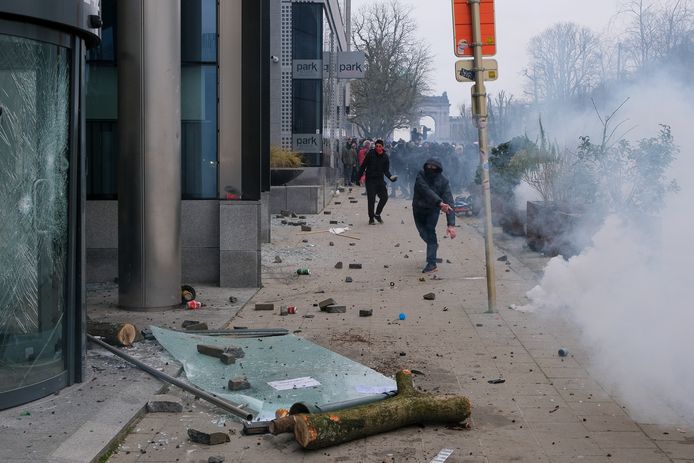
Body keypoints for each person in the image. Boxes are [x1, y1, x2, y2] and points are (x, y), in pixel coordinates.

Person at [412, 157, 457, 273]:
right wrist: (440, 203)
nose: (431, 169)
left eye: (434, 168)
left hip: (432, 211)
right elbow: (425, 190)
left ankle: (431, 263)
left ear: (439, 169)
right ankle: (433, 245)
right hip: (418, 209)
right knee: (423, 233)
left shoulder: (443, 181)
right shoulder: (421, 175)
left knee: (430, 231)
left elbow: (449, 202)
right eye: (429, 167)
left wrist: (451, 224)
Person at [357, 139, 397, 225]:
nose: (378, 148)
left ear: (382, 147)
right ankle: (371, 218)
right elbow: (363, 166)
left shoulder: (385, 157)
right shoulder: (370, 154)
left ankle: (377, 214)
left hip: (380, 180)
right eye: (377, 146)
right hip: (370, 180)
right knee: (371, 199)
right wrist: (358, 178)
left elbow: (386, 170)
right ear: (375, 146)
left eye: (380, 146)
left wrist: (391, 177)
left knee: (384, 197)